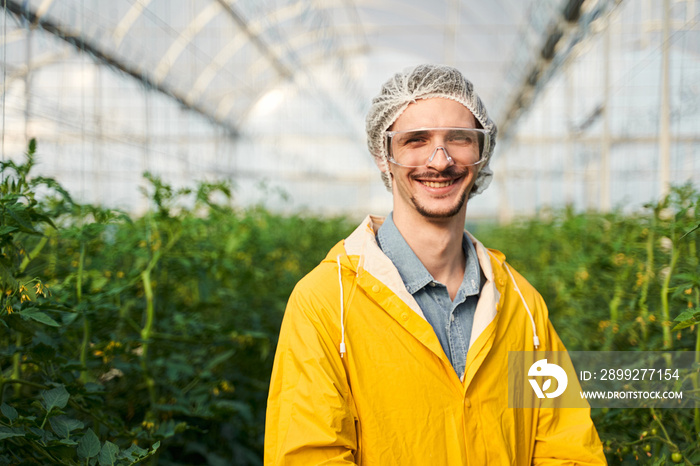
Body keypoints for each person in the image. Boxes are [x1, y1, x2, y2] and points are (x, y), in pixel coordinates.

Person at [264, 64, 606, 465]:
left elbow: (567, 449)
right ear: (383, 155)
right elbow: (308, 456)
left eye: (460, 139)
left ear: (482, 153)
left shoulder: (522, 306)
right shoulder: (326, 303)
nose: (440, 160)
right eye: (416, 140)